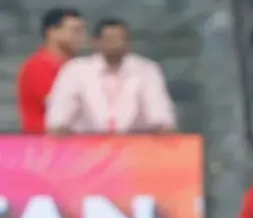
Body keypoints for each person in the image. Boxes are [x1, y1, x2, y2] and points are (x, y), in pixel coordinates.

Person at [45, 18, 176, 135]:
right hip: (85, 148)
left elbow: (159, 112)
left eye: (121, 39)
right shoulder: (75, 70)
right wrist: (59, 129)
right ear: (96, 42)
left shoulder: (147, 70)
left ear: (129, 43)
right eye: (110, 39)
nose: (116, 44)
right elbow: (59, 115)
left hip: (136, 146)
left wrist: (163, 128)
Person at [17, 7, 85, 134]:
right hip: (42, 142)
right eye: (74, 31)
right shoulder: (37, 66)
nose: (80, 37)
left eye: (82, 31)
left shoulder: (76, 67)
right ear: (52, 32)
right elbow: (60, 104)